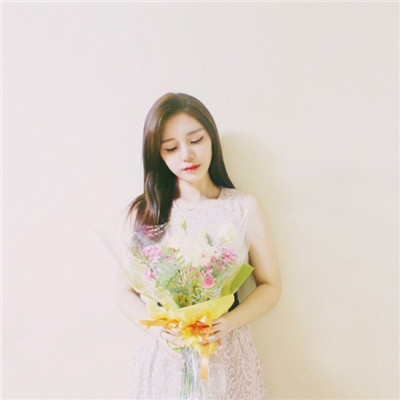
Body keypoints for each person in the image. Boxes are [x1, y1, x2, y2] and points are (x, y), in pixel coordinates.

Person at [116, 92, 281, 399]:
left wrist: (226, 323)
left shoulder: (242, 206)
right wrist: (158, 330)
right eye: (171, 147)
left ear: (211, 139)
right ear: (158, 154)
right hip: (166, 357)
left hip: (226, 351)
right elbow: (125, 292)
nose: (187, 155)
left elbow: (270, 286)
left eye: (195, 140)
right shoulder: (145, 212)